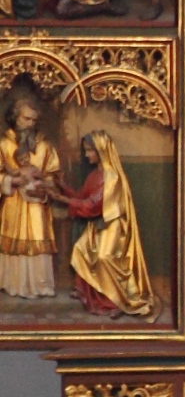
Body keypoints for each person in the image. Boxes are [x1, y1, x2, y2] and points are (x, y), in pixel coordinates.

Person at [59, 129, 154, 318]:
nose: (87, 155)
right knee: (80, 249)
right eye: (86, 150)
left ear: (101, 150)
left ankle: (115, 300)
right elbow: (82, 197)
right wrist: (62, 188)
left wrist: (61, 199)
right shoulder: (95, 174)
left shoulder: (111, 177)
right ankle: (89, 294)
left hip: (113, 225)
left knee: (103, 258)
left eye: (90, 151)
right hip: (99, 224)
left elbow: (92, 205)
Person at [0, 91, 61, 299]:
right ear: (14, 118)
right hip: (12, 203)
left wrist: (44, 188)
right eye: (26, 118)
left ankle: (38, 285)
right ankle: (12, 284)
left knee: (37, 239)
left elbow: (55, 178)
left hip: (37, 206)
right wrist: (11, 181)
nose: (30, 124)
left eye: (34, 120)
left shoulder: (44, 147)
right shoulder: (4, 145)